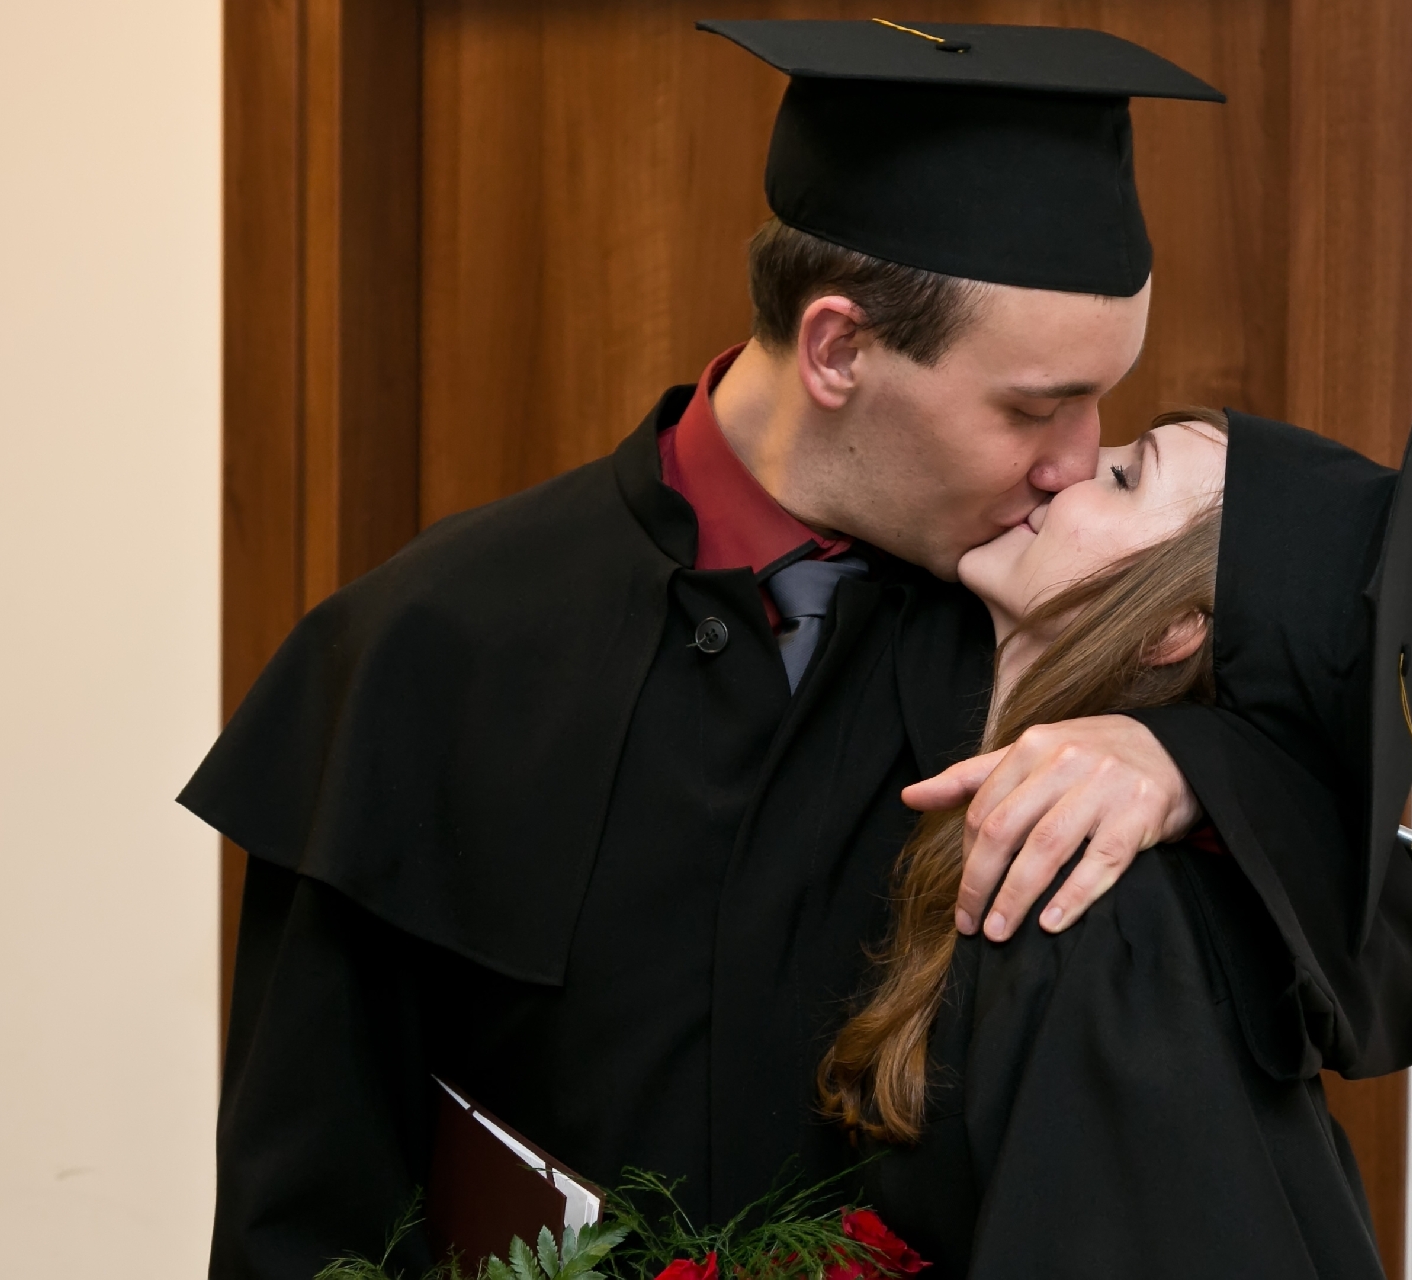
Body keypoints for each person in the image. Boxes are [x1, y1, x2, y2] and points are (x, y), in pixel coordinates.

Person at [182, 22, 1254, 1279]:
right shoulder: (431, 646)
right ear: (839, 348)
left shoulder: (1060, 625)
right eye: (1034, 406)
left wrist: (1185, 765)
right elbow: (299, 1220)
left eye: (1102, 400)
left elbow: (1387, 971)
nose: (1076, 462)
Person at [822, 389, 1412, 1277]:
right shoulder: (902, 698)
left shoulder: (1111, 918)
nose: (1070, 465)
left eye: (1123, 478)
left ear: (1174, 628)